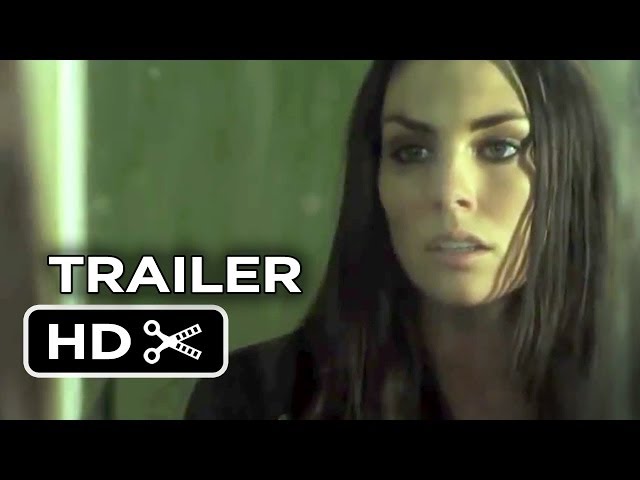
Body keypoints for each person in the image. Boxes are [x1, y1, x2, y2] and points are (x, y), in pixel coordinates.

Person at [184, 60, 614, 420]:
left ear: (574, 167)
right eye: (411, 152)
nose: (449, 193)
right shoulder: (258, 397)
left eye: (500, 148)